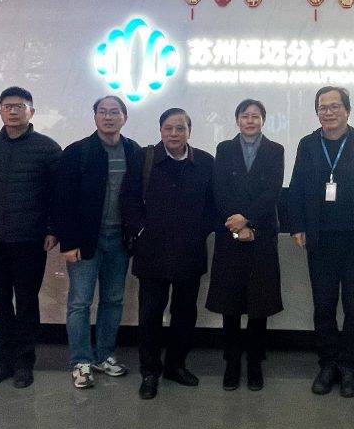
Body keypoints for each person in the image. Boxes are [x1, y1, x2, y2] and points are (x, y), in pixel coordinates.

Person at [287, 86, 354, 398]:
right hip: (320, 239)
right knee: (324, 305)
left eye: (334, 106)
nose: (328, 112)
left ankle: (349, 366)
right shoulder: (307, 144)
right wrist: (297, 225)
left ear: (347, 110)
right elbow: (297, 186)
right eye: (322, 107)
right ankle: (327, 363)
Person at [0, 86, 62, 389]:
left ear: (31, 111)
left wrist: (52, 229)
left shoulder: (47, 148)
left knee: (27, 302)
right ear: (0, 111)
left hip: (29, 240)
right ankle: (1, 363)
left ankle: (24, 363)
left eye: (20, 106)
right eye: (7, 106)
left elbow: (58, 195)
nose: (13, 111)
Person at [54, 95, 141, 389]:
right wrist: (68, 242)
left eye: (114, 112)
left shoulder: (134, 151)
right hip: (85, 240)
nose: (108, 117)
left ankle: (104, 355)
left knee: (113, 300)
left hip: (119, 240)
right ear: (94, 117)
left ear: (124, 117)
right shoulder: (77, 152)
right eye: (102, 112)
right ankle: (81, 360)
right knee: (80, 302)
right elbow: (63, 200)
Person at [127, 108, 215, 400]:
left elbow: (213, 205)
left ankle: (176, 365)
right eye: (168, 128)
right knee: (150, 315)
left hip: (189, 251)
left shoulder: (205, 162)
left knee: (184, 313)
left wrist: (200, 231)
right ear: (160, 130)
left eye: (180, 128)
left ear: (189, 131)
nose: (174, 134)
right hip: (152, 250)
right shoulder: (144, 159)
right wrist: (140, 230)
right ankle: (149, 372)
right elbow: (128, 200)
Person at [206, 99, 285, 391]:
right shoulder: (225, 149)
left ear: (263, 120)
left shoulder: (275, 150)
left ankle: (254, 363)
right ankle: (232, 362)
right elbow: (220, 189)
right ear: (237, 120)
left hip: (261, 233)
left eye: (255, 116)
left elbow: (272, 190)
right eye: (245, 116)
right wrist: (237, 223)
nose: (250, 121)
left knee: (258, 303)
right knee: (230, 303)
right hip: (230, 232)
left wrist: (249, 220)